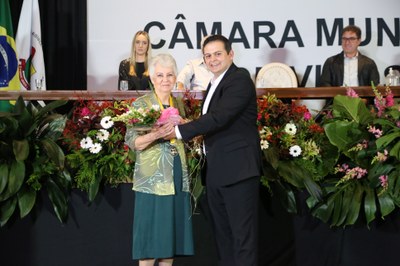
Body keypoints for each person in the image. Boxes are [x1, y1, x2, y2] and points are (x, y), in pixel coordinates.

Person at [165, 34, 262, 266]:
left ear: (231, 54)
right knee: (224, 239)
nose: (212, 59)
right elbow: (213, 121)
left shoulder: (239, 79)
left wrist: (179, 132)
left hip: (238, 172)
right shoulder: (214, 82)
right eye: (207, 56)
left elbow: (219, 118)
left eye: (218, 54)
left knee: (242, 240)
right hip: (218, 171)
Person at [125, 53, 194, 266]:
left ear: (175, 78)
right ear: (152, 79)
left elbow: (185, 137)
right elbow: (131, 141)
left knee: (169, 242)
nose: (165, 79)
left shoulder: (179, 104)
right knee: (148, 242)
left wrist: (188, 125)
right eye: (160, 75)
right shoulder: (141, 104)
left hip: (176, 175)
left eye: (170, 75)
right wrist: (156, 134)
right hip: (152, 179)